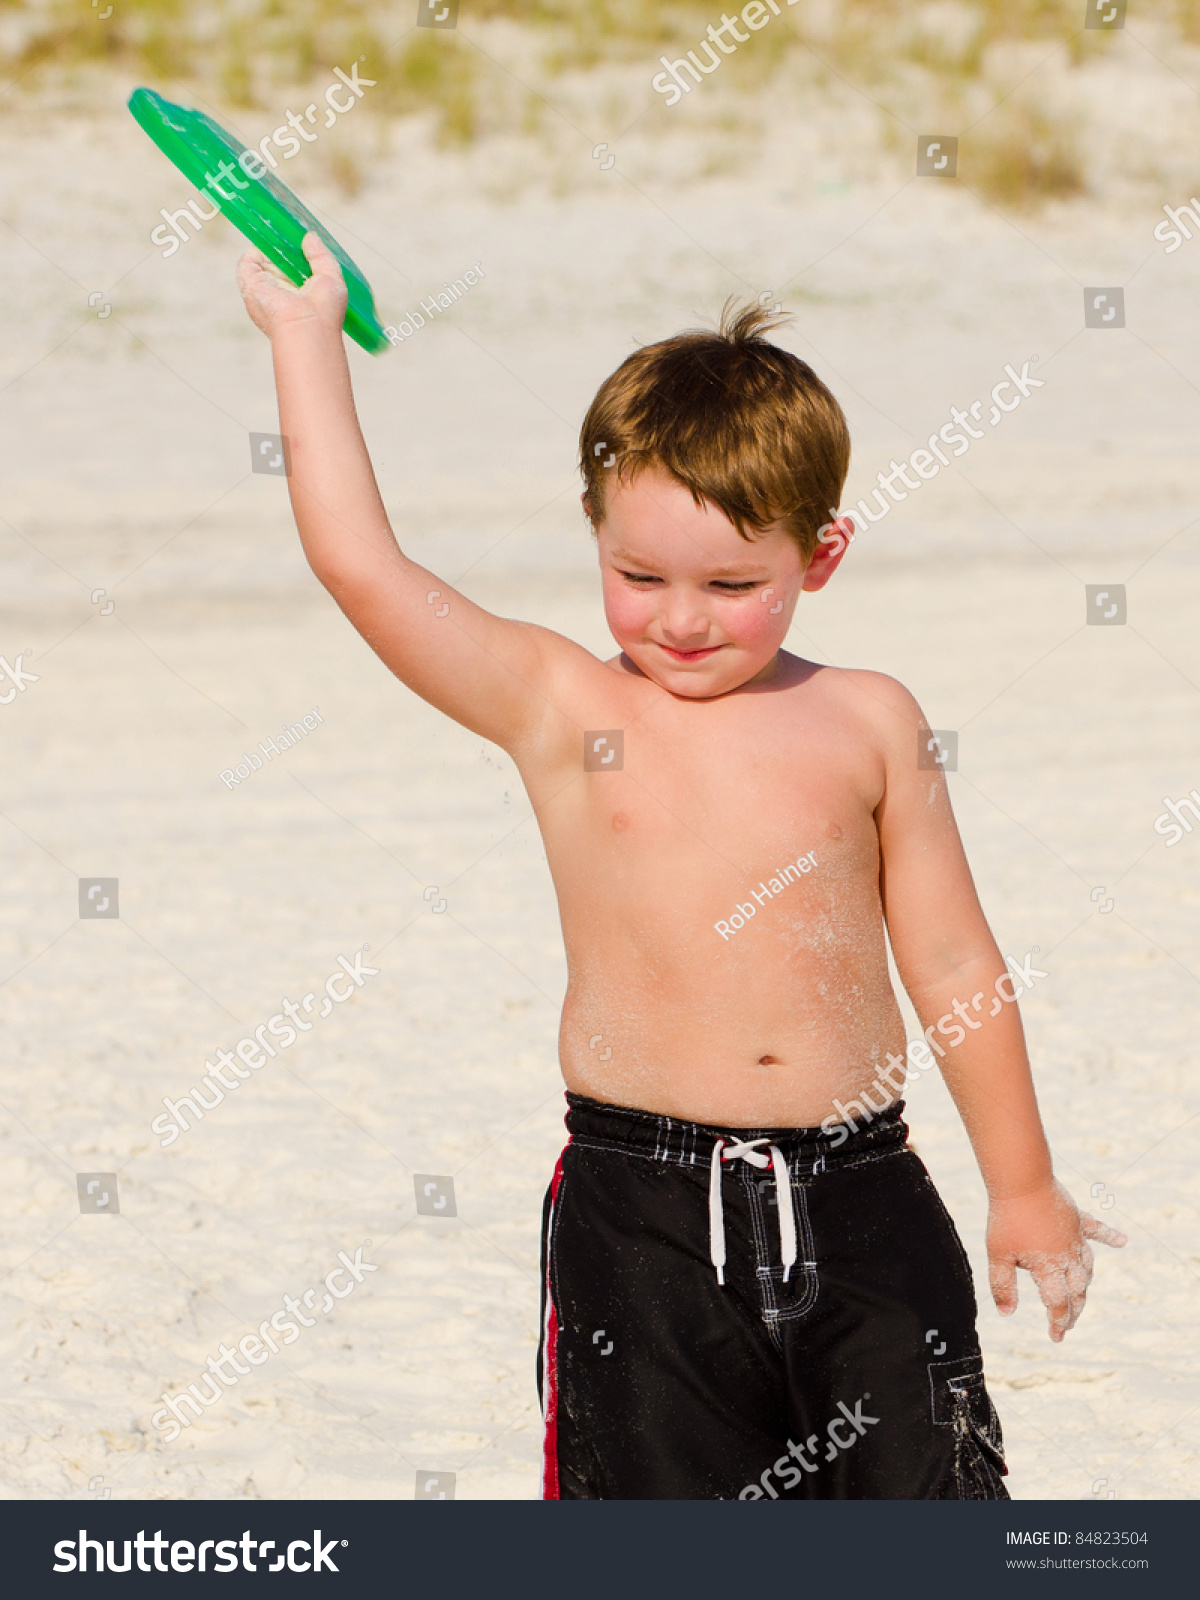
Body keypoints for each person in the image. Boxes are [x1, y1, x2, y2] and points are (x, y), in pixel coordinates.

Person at [236, 234, 1127, 1499]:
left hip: (866, 1193)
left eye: (732, 581)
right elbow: (360, 565)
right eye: (637, 574)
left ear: (821, 556)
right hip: (642, 1210)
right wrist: (304, 338)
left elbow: (951, 958)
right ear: (592, 532)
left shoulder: (870, 719)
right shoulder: (557, 704)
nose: (681, 617)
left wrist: (1024, 1182)